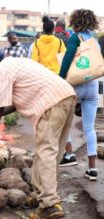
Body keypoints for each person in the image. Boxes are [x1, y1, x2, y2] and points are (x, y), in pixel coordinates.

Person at [0, 50, 76, 219]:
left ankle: (50, 204)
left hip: (50, 102)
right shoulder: (16, 63)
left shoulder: (0, 70)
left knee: (46, 152)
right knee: (52, 152)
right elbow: (14, 104)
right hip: (66, 95)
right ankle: (40, 194)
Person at [59, 9, 100, 181]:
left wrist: (60, 78)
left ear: (75, 21)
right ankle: (92, 169)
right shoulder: (94, 41)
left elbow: (68, 58)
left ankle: (69, 155)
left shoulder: (75, 38)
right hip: (92, 85)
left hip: (75, 85)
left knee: (66, 122)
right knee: (89, 128)